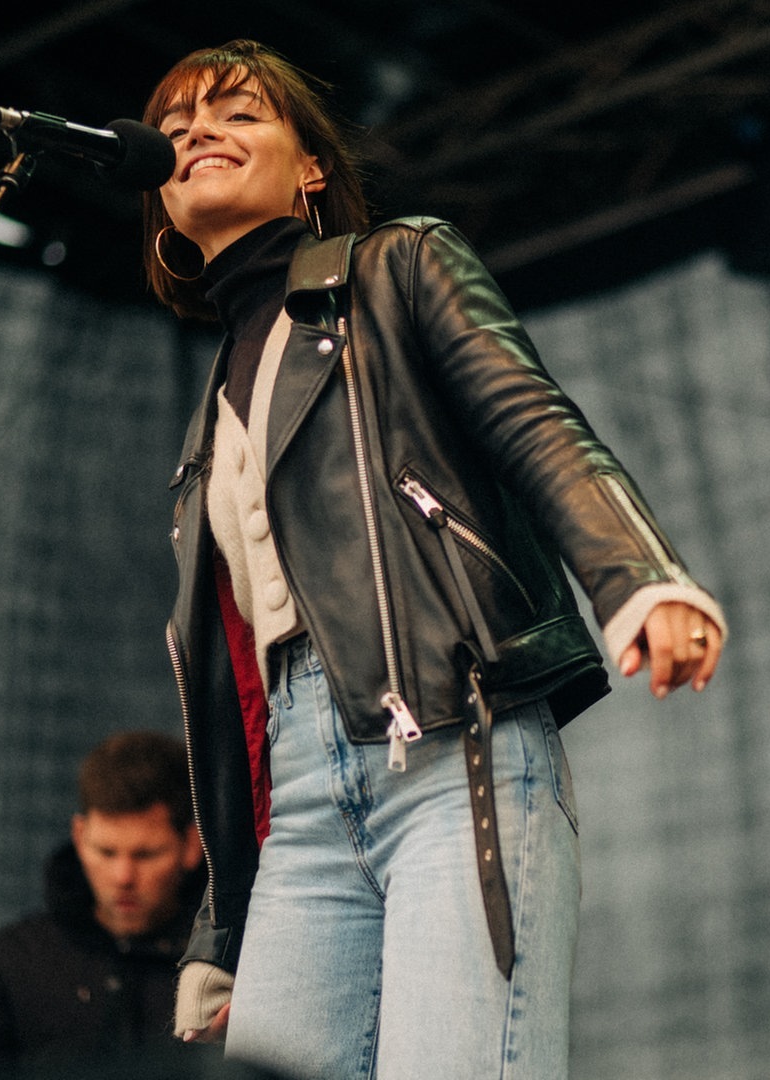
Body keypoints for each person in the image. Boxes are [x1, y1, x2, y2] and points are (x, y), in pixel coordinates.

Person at [147, 40, 728, 1080]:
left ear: (310, 168)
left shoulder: (394, 265)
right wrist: (219, 927)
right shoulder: (205, 425)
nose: (198, 134)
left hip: (455, 749)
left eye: (237, 113)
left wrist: (637, 579)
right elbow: (234, 681)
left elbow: (530, 420)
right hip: (299, 810)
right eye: (180, 125)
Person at [0, 731, 208, 1080]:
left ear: (191, 845)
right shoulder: (17, 961)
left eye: (146, 854)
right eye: (106, 852)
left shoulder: (224, 966)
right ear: (80, 837)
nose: (123, 876)